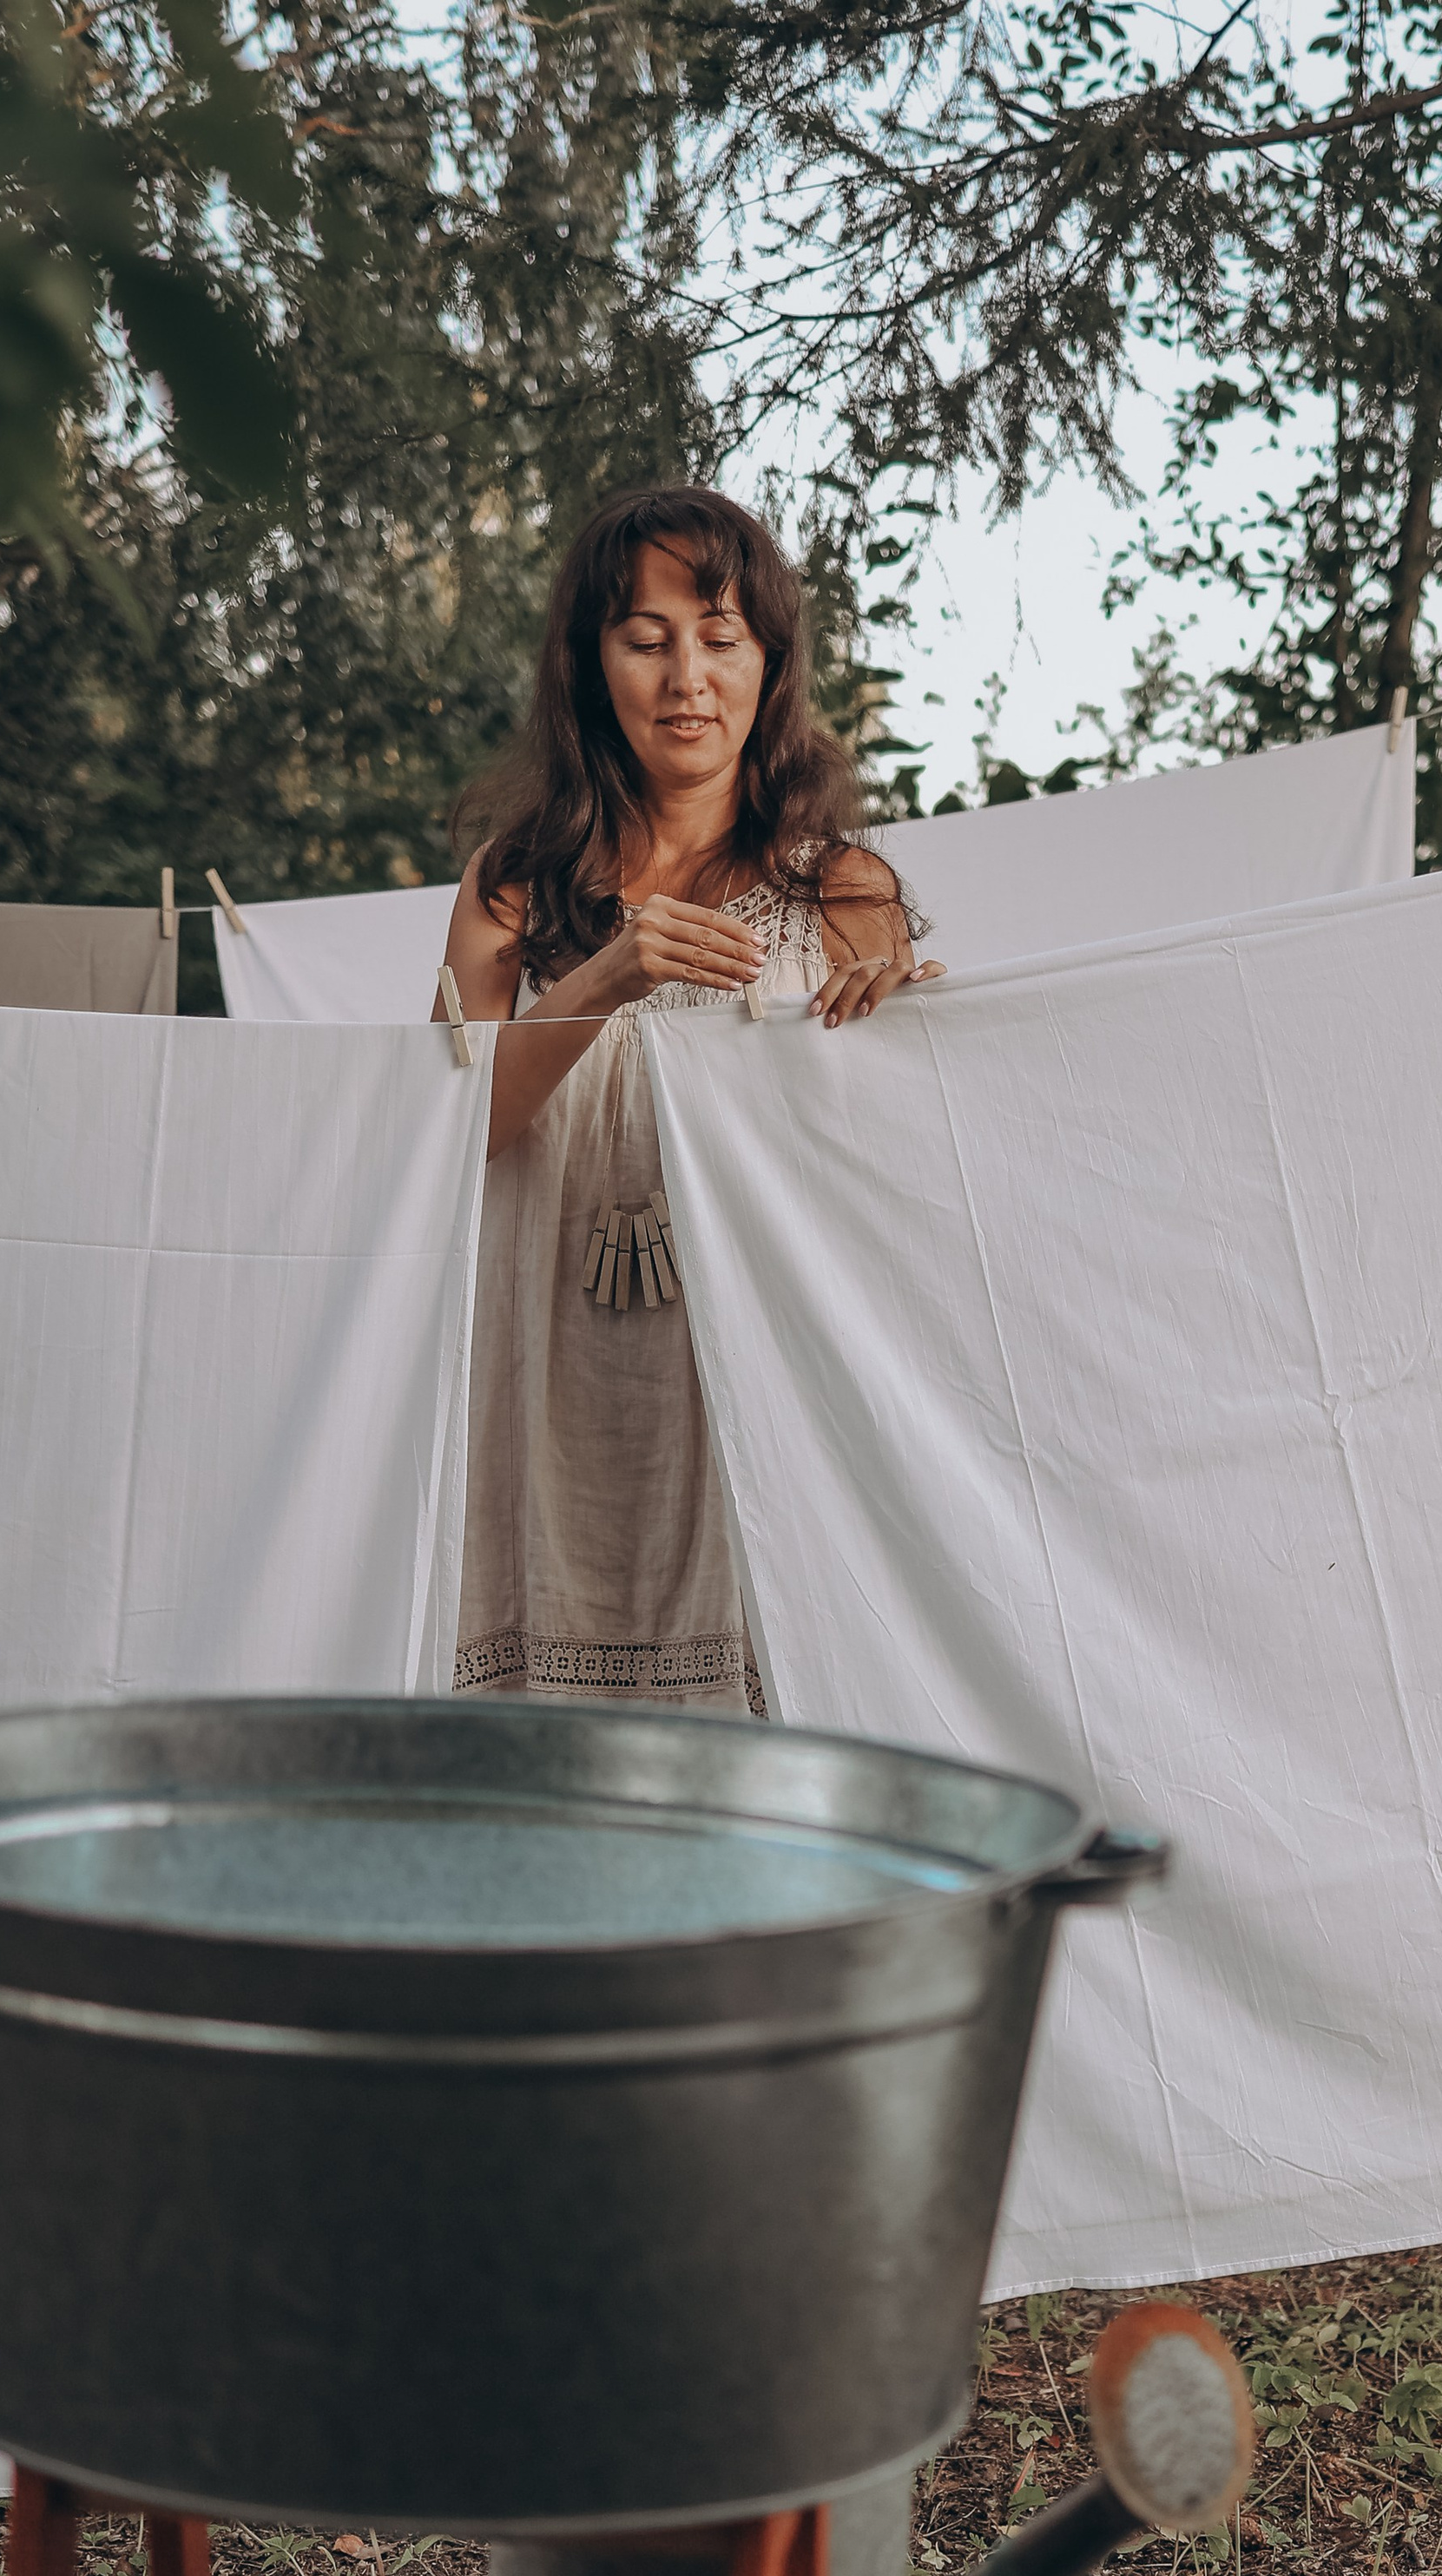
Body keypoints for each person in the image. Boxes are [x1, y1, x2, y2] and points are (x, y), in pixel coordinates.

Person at [438, 484, 942, 1707]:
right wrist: (611, 973)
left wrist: (913, 1028)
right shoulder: (514, 885)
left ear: (770, 662)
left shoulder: (844, 887)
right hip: (546, 1369)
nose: (686, 679)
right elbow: (457, 1134)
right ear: (589, 662)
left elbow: (895, 1172)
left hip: (752, 1375)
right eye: (646, 638)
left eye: (720, 637)